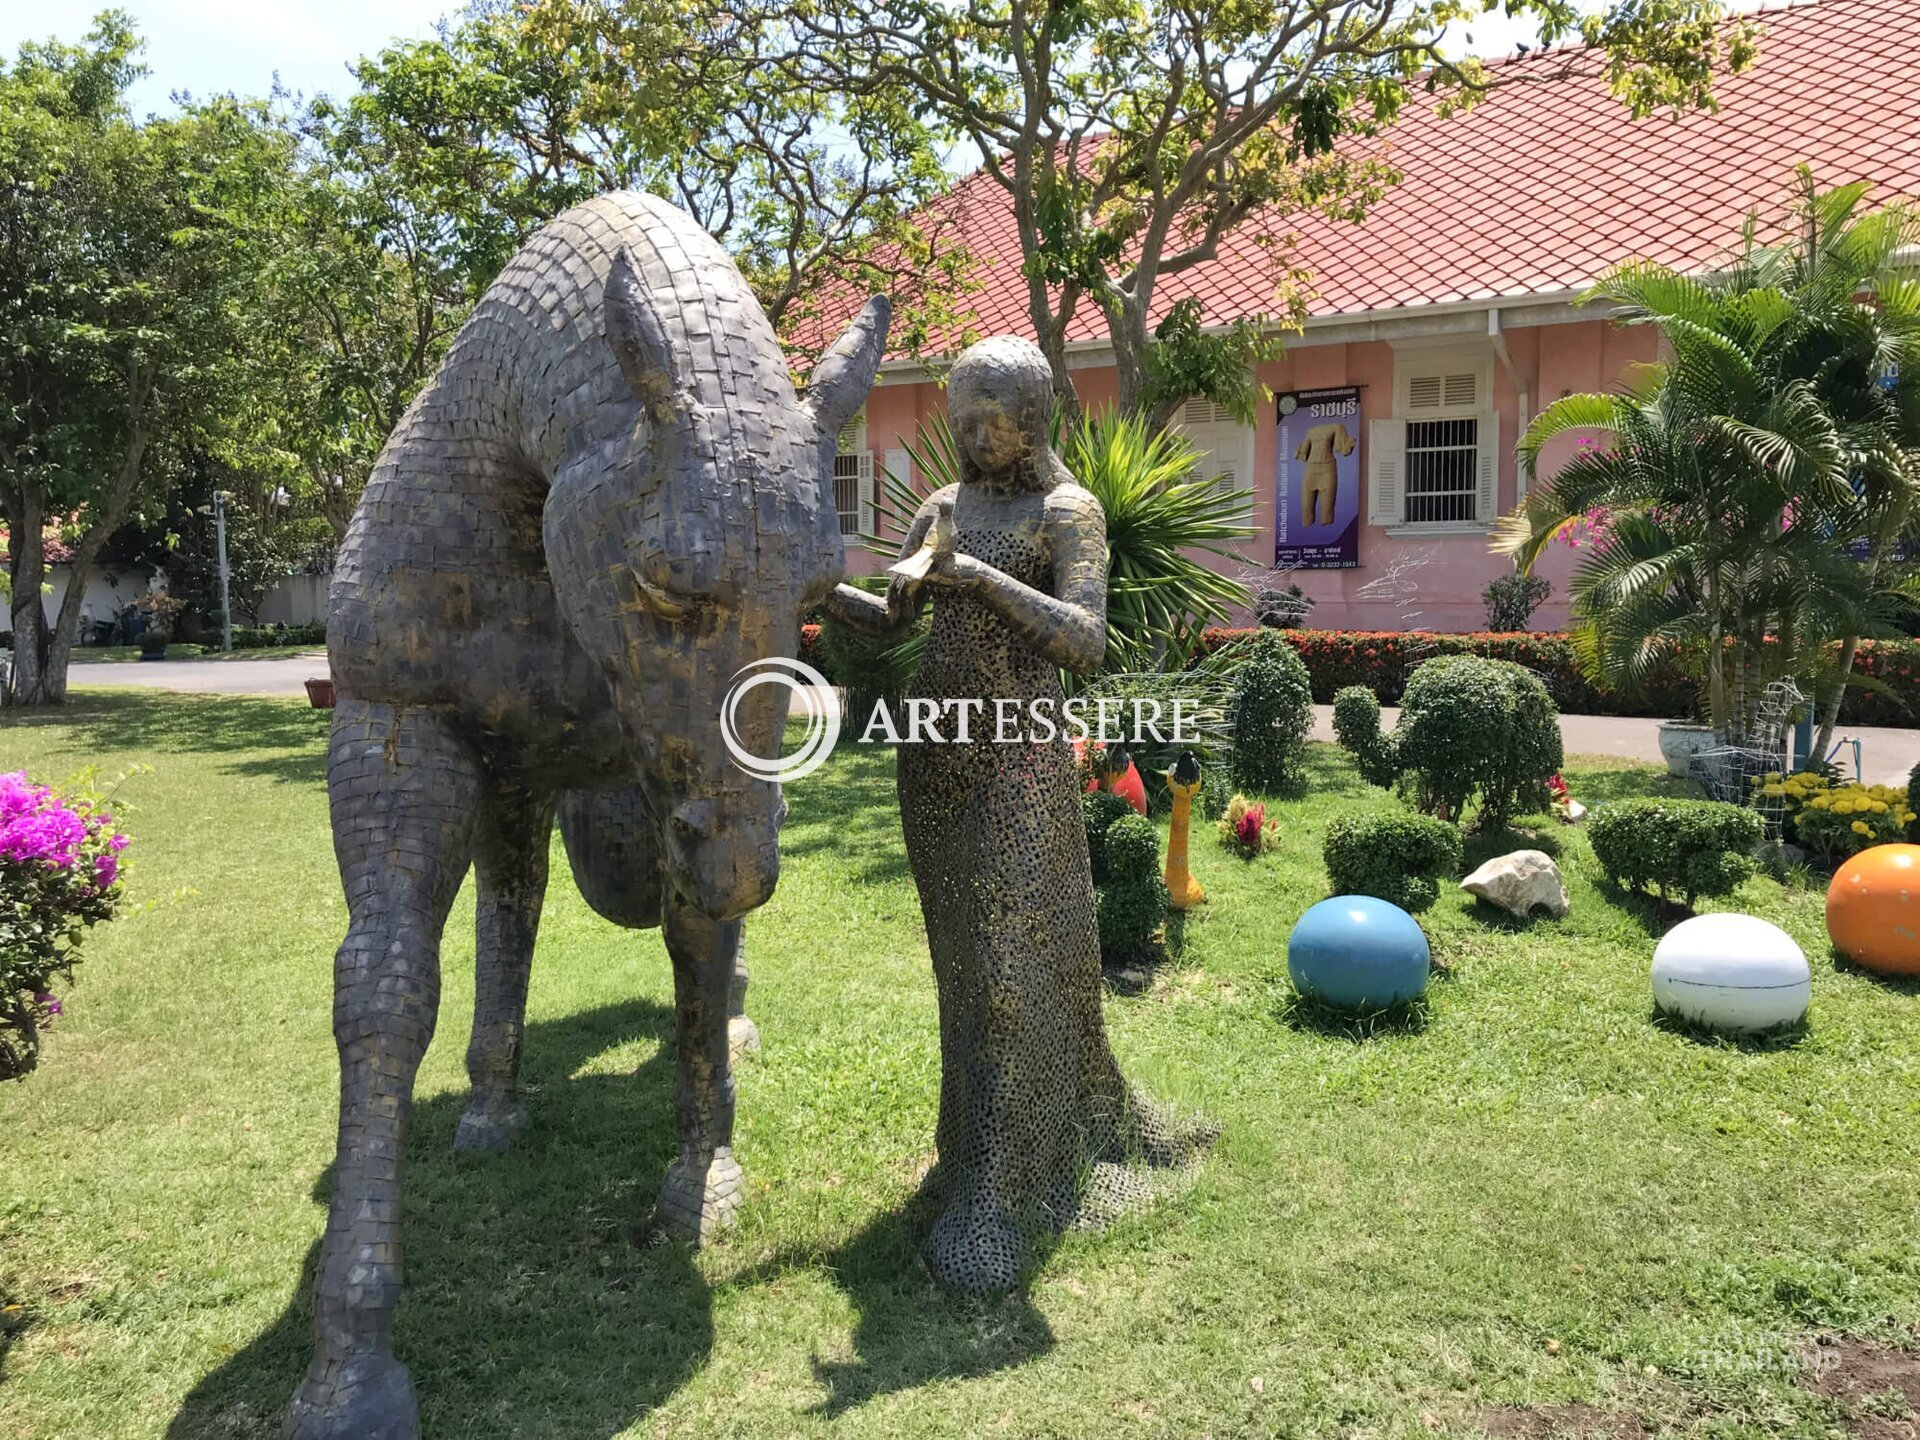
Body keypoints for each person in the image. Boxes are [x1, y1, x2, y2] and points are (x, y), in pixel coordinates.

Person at [825, 336, 1208, 1293]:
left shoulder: (1068, 512)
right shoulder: (942, 509)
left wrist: (979, 579)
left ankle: (999, 1194)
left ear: (1033, 418)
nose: (969, 433)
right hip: (936, 761)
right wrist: (818, 592)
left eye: (987, 417)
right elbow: (893, 618)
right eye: (959, 415)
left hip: (1021, 764)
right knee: (965, 971)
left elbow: (1086, 640)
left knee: (1006, 969)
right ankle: (970, 1160)